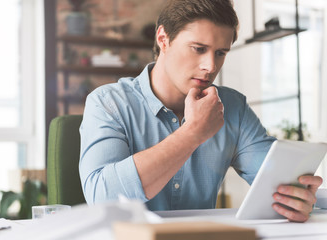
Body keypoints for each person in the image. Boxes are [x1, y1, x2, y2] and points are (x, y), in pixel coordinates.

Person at [79, 0, 322, 222]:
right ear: (163, 39)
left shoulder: (232, 108)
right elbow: (102, 198)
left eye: (220, 53)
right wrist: (192, 133)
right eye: (198, 48)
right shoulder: (108, 103)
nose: (210, 66)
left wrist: (298, 199)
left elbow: (277, 184)